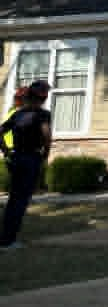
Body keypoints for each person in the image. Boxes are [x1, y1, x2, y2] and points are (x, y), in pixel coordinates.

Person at [0, 79, 52, 249]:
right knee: (21, 200)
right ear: (43, 97)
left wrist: (6, 151)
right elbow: (46, 135)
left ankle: (5, 238)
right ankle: (9, 241)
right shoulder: (42, 114)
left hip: (16, 158)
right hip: (31, 159)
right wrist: (46, 154)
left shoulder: (18, 114)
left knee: (14, 199)